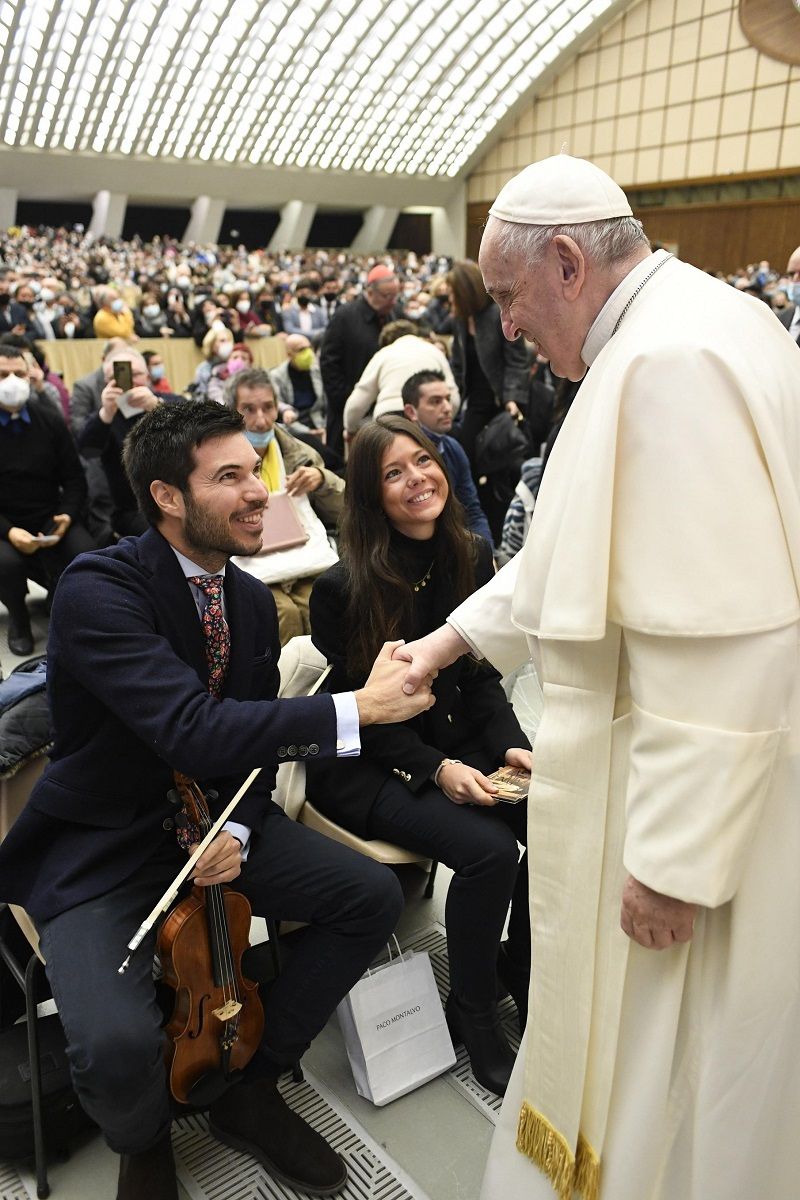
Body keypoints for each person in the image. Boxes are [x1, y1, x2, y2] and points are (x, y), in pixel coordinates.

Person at [394, 154, 800, 1200]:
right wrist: (449, 641)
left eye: (512, 299)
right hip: (656, 785)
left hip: (676, 814)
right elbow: (587, 540)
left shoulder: (665, 365)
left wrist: (674, 864)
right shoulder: (696, 324)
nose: (507, 329)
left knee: (667, 1083)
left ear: (567, 261)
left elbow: (721, 640)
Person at [0, 399, 434, 1200]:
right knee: (117, 1044)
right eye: (229, 477)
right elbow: (193, 729)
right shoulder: (99, 588)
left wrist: (237, 820)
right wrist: (357, 708)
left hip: (215, 823)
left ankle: (251, 1088)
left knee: (369, 897)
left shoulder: (246, 601)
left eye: (255, 471)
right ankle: (142, 1139)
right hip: (105, 845)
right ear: (168, 496)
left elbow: (253, 746)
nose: (259, 491)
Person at [306, 415, 531, 1095]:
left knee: (551, 818)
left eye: (423, 462)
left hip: (453, 738)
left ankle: (517, 969)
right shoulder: (343, 587)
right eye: (393, 474)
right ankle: (474, 1012)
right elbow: (363, 718)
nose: (417, 481)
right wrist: (436, 770)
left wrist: (511, 747)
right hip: (366, 765)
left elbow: (483, 676)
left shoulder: (469, 553)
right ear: (372, 496)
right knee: (490, 851)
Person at [225, 367, 342, 643]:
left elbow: (346, 511)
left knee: (317, 604)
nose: (261, 420)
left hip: (303, 559)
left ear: (279, 408)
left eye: (268, 407)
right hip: (248, 562)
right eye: (248, 410)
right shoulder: (218, 460)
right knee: (282, 613)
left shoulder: (301, 454)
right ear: (231, 411)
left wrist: (323, 481)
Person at [0, 345, 94, 655]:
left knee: (85, 552)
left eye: (19, 373)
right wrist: (9, 531)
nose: (12, 381)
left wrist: (66, 515)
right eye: (3, 374)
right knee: (7, 562)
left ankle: (62, 603)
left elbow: (74, 479)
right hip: (4, 523)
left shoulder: (49, 419)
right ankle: (19, 619)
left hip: (49, 514)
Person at [402, 369, 493, 546]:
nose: (447, 408)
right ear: (411, 411)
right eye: (435, 402)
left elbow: (472, 510)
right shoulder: (397, 454)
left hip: (456, 543)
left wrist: (488, 554)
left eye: (447, 399)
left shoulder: (452, 447)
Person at [320, 265, 400, 454]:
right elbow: (328, 362)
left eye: (395, 296)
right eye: (387, 296)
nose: (393, 302)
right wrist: (347, 399)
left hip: (381, 409)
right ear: (370, 292)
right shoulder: (344, 316)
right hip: (347, 408)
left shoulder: (393, 315)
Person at [342, 319, 461, 435]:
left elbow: (359, 399)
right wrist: (445, 420)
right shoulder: (434, 351)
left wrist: (350, 428)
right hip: (426, 419)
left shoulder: (383, 354)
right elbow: (453, 396)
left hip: (389, 419)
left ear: (386, 343)